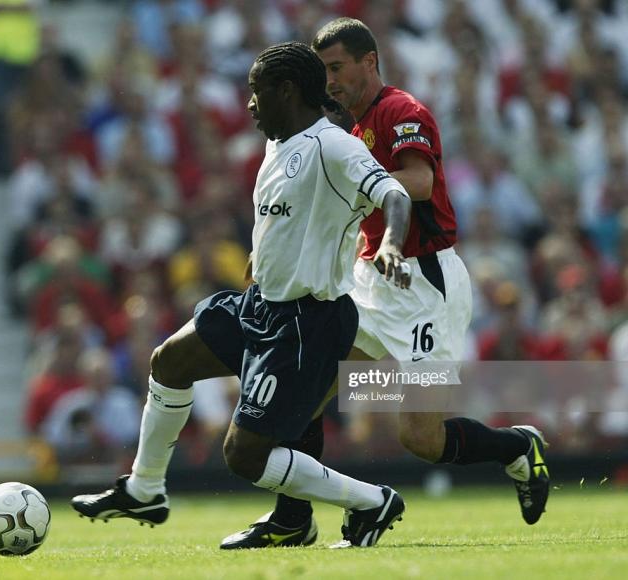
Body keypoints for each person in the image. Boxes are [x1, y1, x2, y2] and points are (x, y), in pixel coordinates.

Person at [222, 18, 550, 550]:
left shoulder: (402, 110)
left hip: (423, 284)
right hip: (370, 282)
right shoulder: (345, 130)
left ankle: (515, 447)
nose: (328, 81)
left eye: (336, 68)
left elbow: (419, 181)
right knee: (307, 391)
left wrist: (355, 185)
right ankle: (292, 519)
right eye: (323, 71)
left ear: (369, 61)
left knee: (421, 438)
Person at [71, 41, 414, 548]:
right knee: (169, 361)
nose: (249, 104)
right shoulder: (277, 144)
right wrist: (262, 256)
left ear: (287, 91)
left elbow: (395, 194)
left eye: (257, 92)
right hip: (260, 304)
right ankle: (144, 490)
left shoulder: (332, 146)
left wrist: (390, 244)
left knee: (244, 456)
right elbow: (286, 219)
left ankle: (372, 501)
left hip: (308, 321)